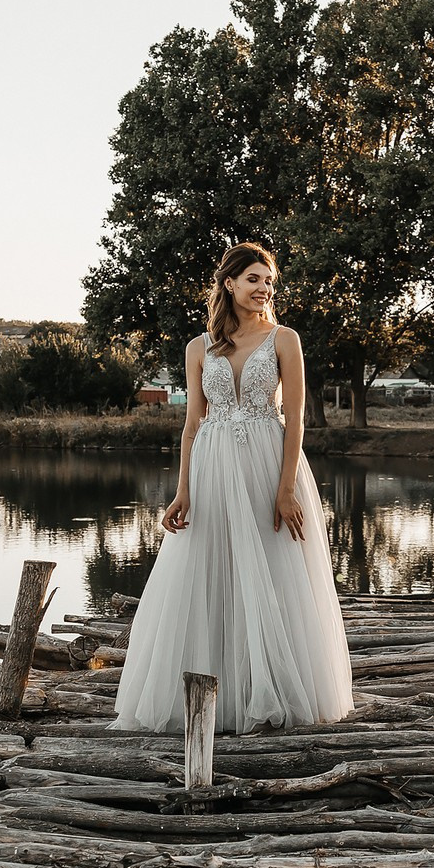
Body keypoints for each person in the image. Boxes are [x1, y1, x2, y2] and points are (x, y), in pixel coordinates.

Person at [111, 243, 353, 733]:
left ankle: (273, 690)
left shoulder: (285, 339)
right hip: (213, 468)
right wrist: (182, 491)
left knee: (272, 570)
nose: (264, 288)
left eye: (269, 281)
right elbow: (192, 424)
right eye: (254, 280)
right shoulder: (199, 348)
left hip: (268, 463)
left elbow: (296, 421)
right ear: (229, 284)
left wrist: (285, 490)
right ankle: (211, 692)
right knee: (212, 570)